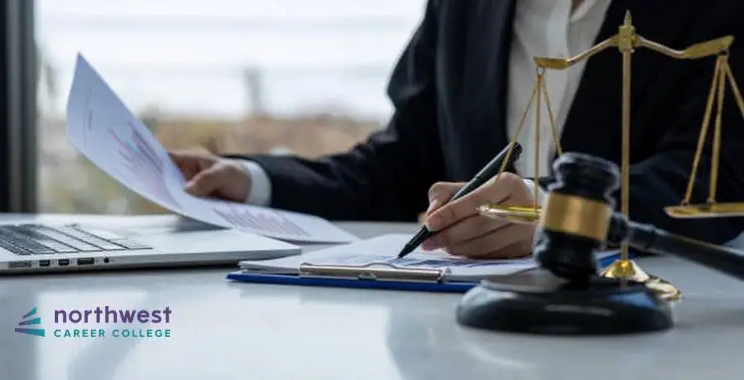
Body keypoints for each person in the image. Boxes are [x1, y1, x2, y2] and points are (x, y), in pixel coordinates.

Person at [170, 0, 744, 259]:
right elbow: (405, 163)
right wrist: (250, 181)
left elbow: (715, 177)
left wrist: (553, 211)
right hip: (467, 339)